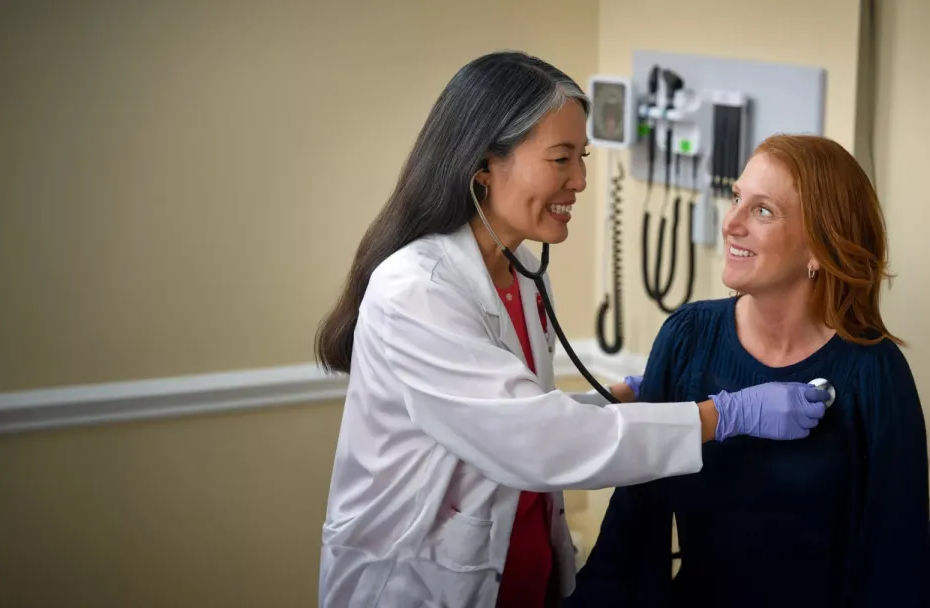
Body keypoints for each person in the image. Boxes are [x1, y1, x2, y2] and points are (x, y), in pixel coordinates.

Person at [314, 51, 831, 608]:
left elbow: (507, 416)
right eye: (561, 159)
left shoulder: (521, 275)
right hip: (418, 586)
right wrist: (725, 415)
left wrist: (606, 403)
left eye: (581, 157)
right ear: (484, 165)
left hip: (524, 576)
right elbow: (536, 442)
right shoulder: (416, 291)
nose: (581, 180)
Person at [566, 134, 930, 607]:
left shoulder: (874, 372)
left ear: (820, 247)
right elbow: (633, 525)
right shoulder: (688, 337)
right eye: (737, 198)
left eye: (763, 211)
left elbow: (896, 564)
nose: (731, 223)